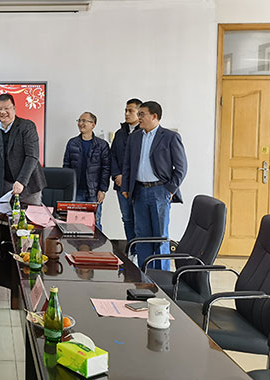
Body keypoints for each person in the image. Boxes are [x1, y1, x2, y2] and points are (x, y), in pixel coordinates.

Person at [122, 101, 187, 271]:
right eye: (139, 114)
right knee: (142, 236)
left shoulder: (170, 137)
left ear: (154, 116)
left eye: (142, 114)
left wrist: (170, 190)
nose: (139, 117)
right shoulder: (134, 137)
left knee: (160, 236)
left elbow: (181, 167)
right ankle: (145, 274)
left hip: (160, 191)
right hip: (139, 191)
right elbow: (127, 165)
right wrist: (126, 188)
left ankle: (161, 276)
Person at [62, 112, 110, 229]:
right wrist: (67, 188)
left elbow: (106, 168)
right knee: (75, 223)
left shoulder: (102, 145)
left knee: (95, 223)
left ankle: (95, 242)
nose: (80, 123)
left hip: (94, 191)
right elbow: (66, 167)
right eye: (79, 120)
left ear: (93, 124)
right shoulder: (72, 143)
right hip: (76, 190)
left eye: (84, 121)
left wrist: (102, 189)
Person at [110, 98, 142, 241]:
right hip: (121, 183)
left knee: (140, 219)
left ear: (139, 113)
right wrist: (117, 174)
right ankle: (131, 247)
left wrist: (128, 177)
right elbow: (112, 156)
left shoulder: (144, 132)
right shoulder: (120, 133)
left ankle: (139, 249)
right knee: (127, 218)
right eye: (125, 110)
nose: (127, 114)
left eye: (131, 111)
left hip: (138, 184)